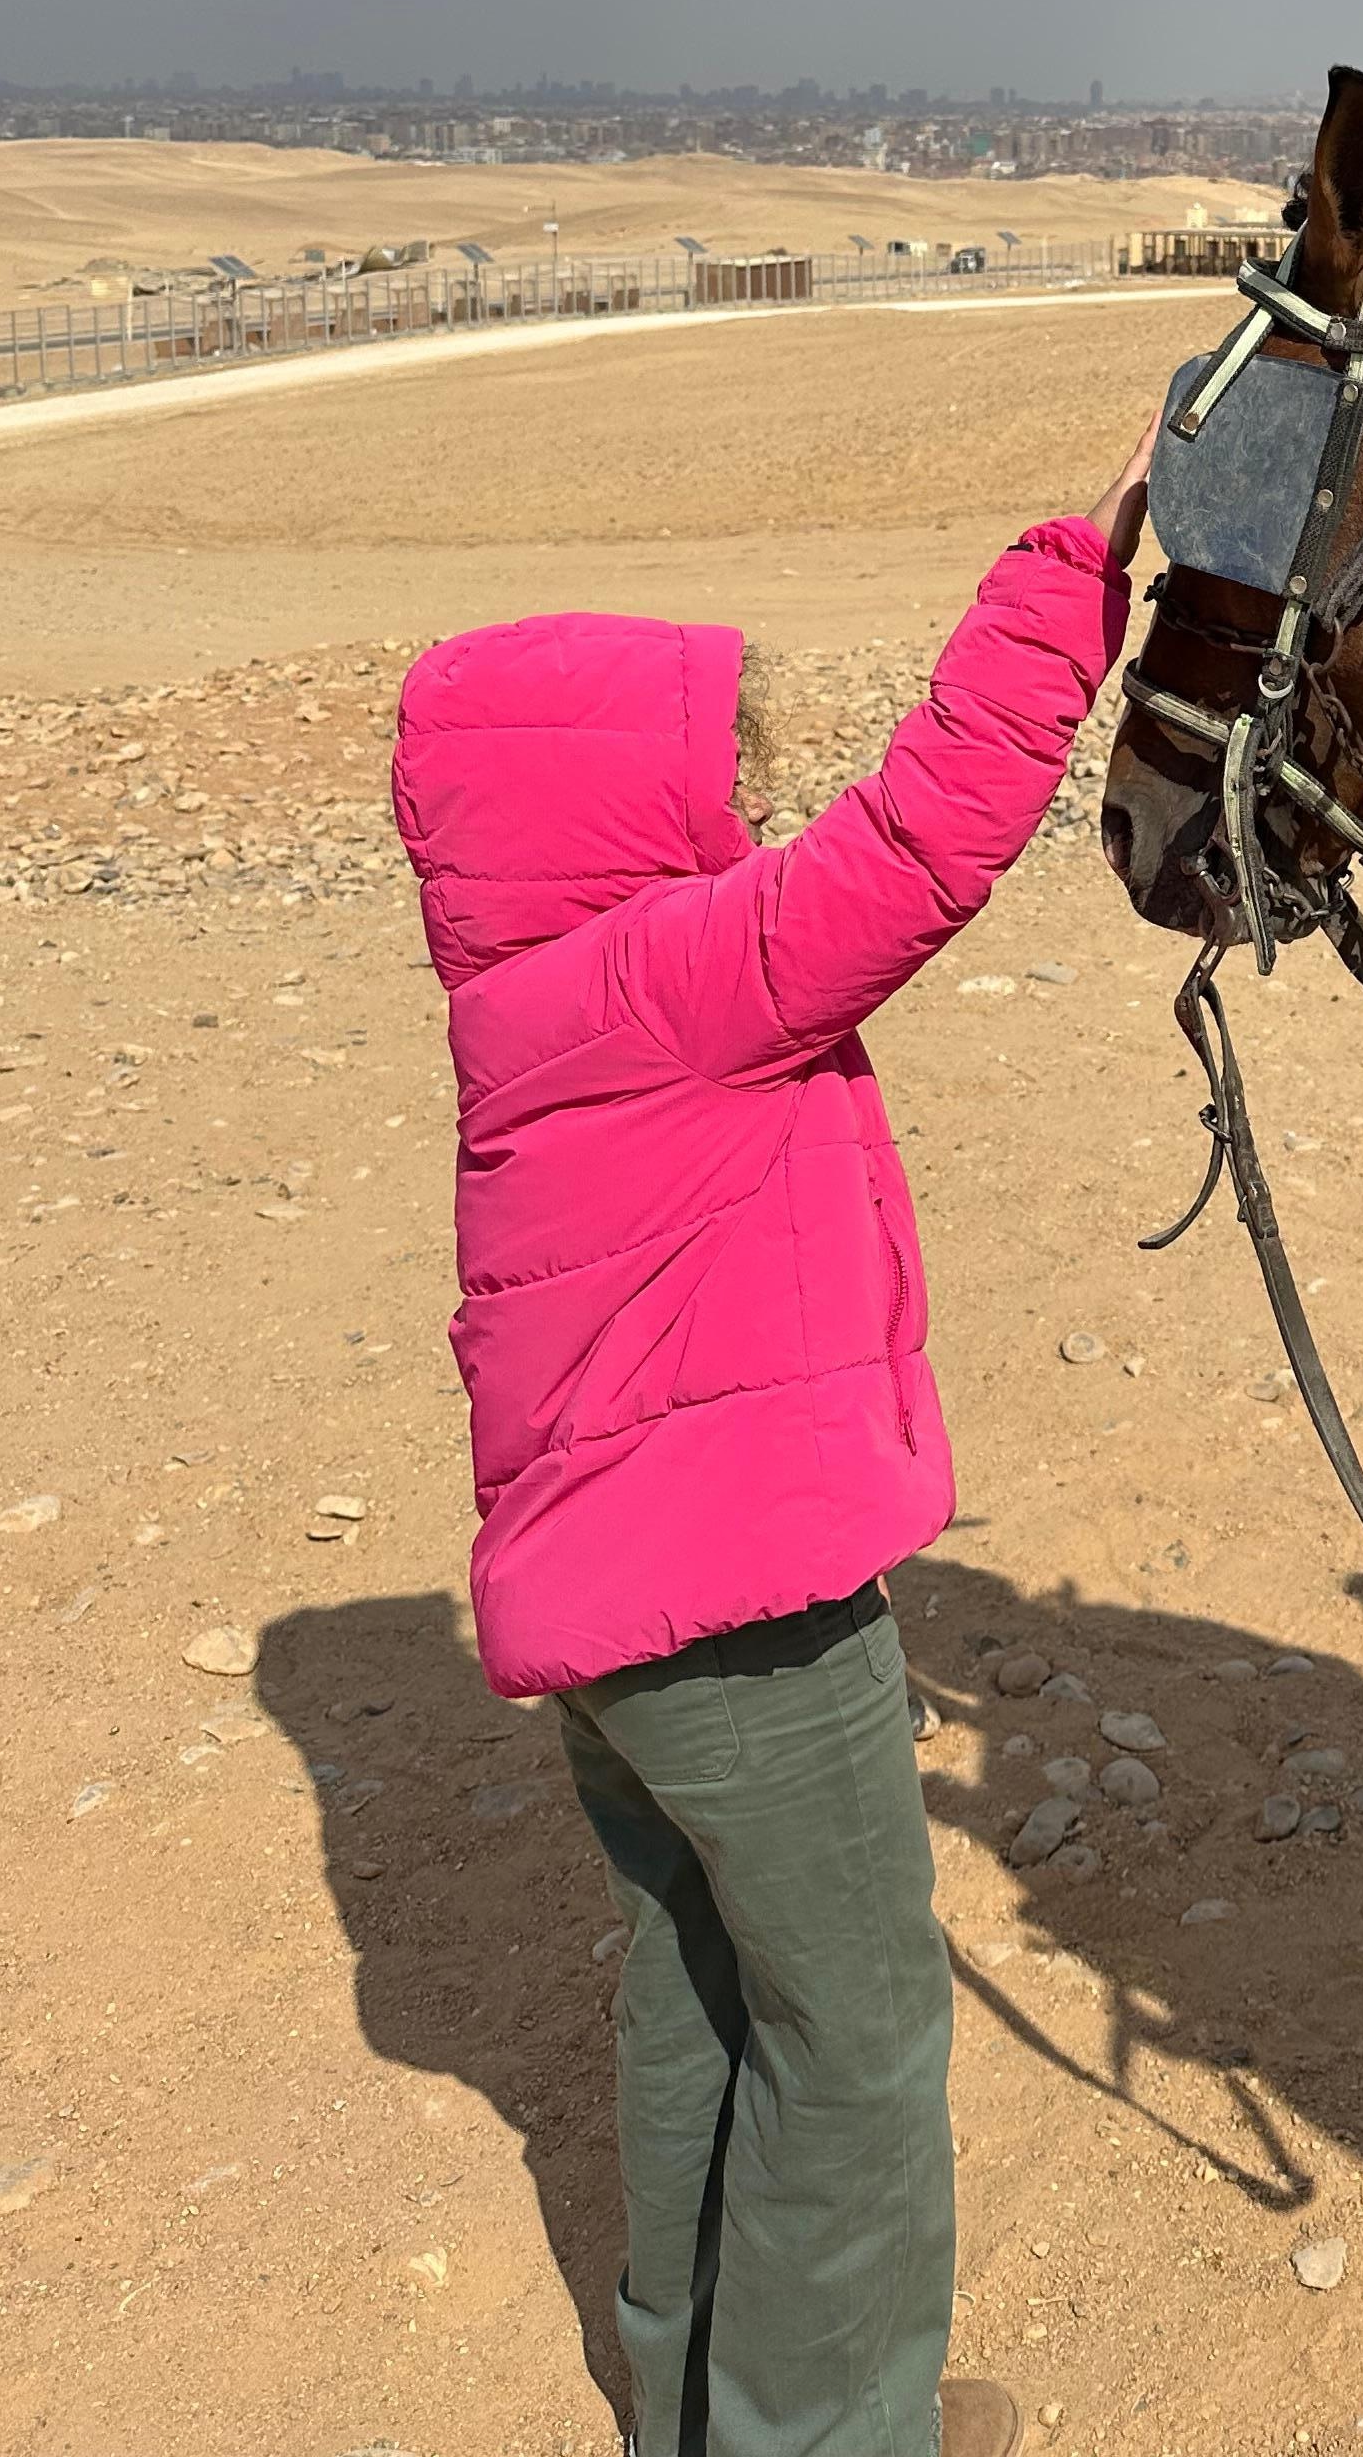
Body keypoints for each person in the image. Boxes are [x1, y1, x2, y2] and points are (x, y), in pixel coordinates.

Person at [388, 422, 1155, 2457]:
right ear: (590, 810)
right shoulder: (665, 984)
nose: (726, 794)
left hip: (618, 1624)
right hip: (745, 1617)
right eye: (693, 769)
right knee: (862, 2029)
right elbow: (918, 841)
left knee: (697, 2000)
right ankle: (829, 2438)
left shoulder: (527, 1011)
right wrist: (1076, 566)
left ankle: (702, 2408)